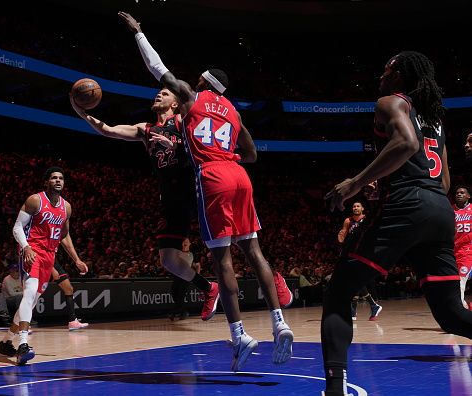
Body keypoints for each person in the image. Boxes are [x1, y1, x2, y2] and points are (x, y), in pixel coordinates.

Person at [118, 11, 294, 371]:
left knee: (222, 259)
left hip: (211, 175)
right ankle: (279, 321)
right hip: (239, 175)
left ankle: (240, 334)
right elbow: (253, 154)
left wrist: (139, 33)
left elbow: (157, 68)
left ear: (202, 81)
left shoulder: (191, 98)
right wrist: (230, 156)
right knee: (255, 252)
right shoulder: (232, 111)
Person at [323, 51, 472, 395]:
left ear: (401, 75)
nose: (381, 77)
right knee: (451, 314)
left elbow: (406, 143)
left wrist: (355, 183)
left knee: (339, 290)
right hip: (439, 209)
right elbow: (445, 183)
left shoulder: (391, 103)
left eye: (387, 70)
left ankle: (334, 387)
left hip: (408, 205)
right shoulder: (435, 120)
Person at [72, 87, 221, 321]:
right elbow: (109, 130)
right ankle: (208, 288)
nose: (158, 95)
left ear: (174, 103)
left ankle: (269, 276)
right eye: (158, 93)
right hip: (170, 196)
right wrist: (84, 115)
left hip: (195, 188)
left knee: (226, 241)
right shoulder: (146, 129)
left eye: (165, 93)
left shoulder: (184, 121)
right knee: (168, 259)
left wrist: (179, 147)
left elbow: (205, 147)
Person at [0, 167, 88, 365]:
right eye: (54, 178)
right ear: (46, 182)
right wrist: (26, 247)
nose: (58, 181)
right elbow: (17, 227)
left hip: (49, 256)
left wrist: (76, 259)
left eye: (61, 178)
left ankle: (6, 342)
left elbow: (64, 236)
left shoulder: (67, 207)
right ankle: (23, 343)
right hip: (32, 252)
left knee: (30, 302)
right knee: (29, 294)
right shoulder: (35, 200)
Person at [337, 201, 382, 321]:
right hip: (351, 251)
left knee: (355, 279)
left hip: (364, 251)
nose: (355, 208)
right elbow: (343, 235)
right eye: (354, 206)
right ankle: (369, 306)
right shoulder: (348, 221)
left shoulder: (367, 219)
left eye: (358, 206)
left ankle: (359, 308)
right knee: (355, 279)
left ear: (362, 208)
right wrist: (341, 237)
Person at [453, 186, 472, 309]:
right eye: (457, 193)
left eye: (462, 192)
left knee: (461, 280)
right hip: (454, 250)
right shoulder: (451, 211)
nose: (459, 194)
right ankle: (465, 306)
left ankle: (459, 310)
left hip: (469, 250)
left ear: (468, 196)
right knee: (454, 282)